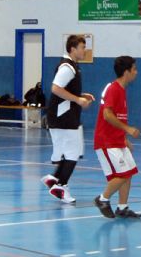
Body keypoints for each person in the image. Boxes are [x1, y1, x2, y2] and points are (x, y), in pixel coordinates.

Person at [41, 35, 95, 204]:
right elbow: (56, 88)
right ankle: (60, 186)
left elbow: (65, 90)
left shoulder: (73, 67)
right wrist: (78, 100)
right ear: (72, 49)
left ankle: (53, 178)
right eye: (81, 47)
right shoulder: (67, 67)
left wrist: (80, 95)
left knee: (72, 151)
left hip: (66, 116)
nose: (84, 50)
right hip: (63, 117)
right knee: (73, 152)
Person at [93, 56, 141, 218]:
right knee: (122, 174)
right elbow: (107, 115)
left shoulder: (122, 90)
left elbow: (118, 117)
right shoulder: (113, 89)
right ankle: (102, 199)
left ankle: (122, 207)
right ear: (126, 72)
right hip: (106, 141)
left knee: (129, 172)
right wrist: (127, 129)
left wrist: (124, 139)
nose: (136, 72)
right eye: (134, 69)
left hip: (117, 140)